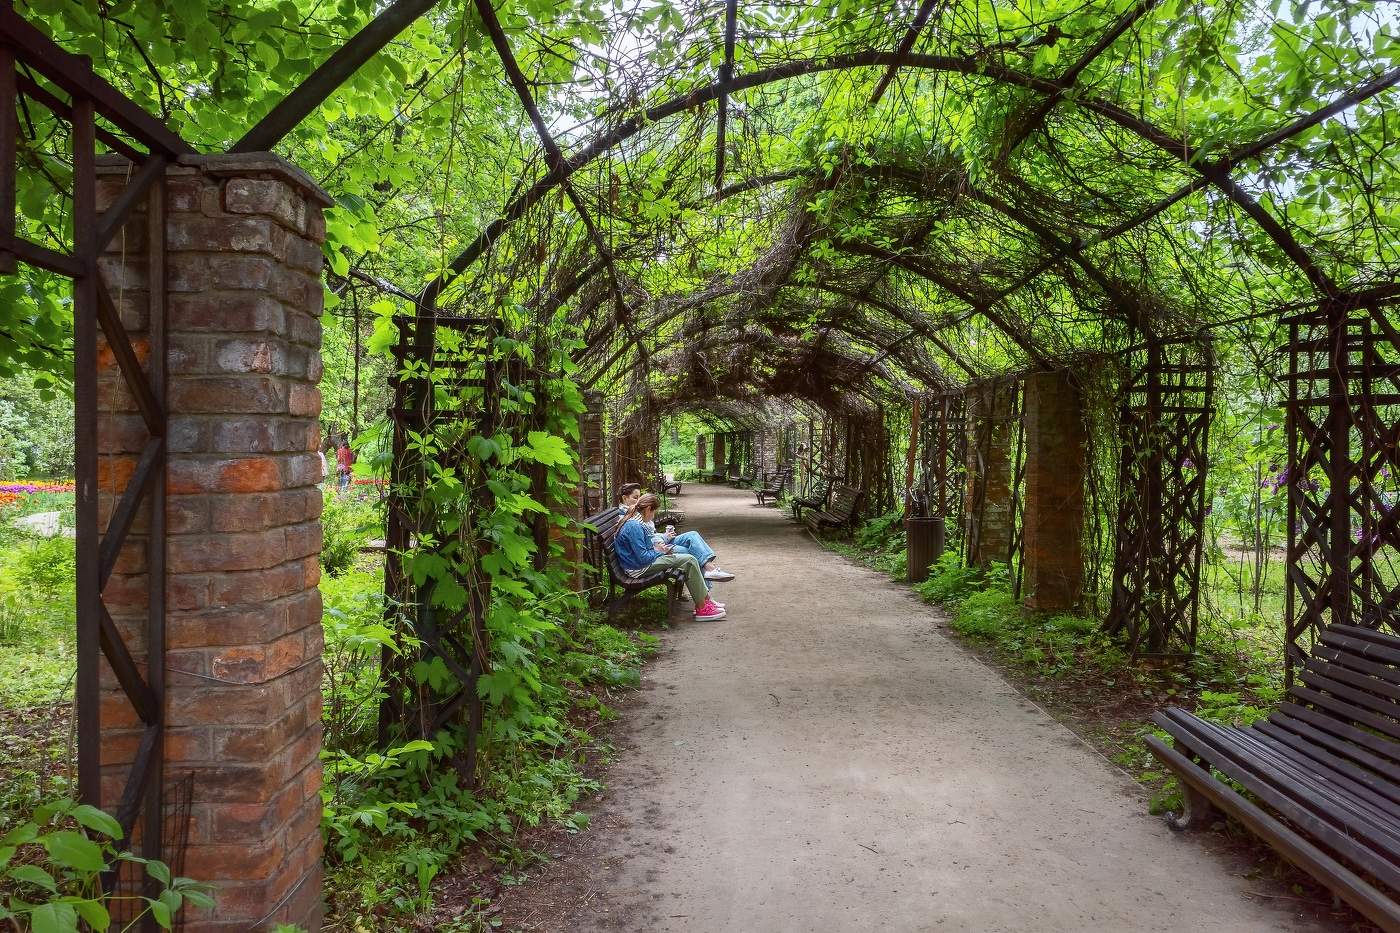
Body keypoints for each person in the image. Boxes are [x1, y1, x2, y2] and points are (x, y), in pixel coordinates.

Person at [613, 494, 727, 622]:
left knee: (689, 558)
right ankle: (702, 608)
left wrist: (659, 548)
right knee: (689, 560)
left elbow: (643, 550)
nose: (653, 516)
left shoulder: (636, 522)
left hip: (639, 564)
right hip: (638, 569)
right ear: (648, 509)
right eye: (654, 512)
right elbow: (643, 558)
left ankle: (706, 601)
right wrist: (661, 551)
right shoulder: (634, 526)